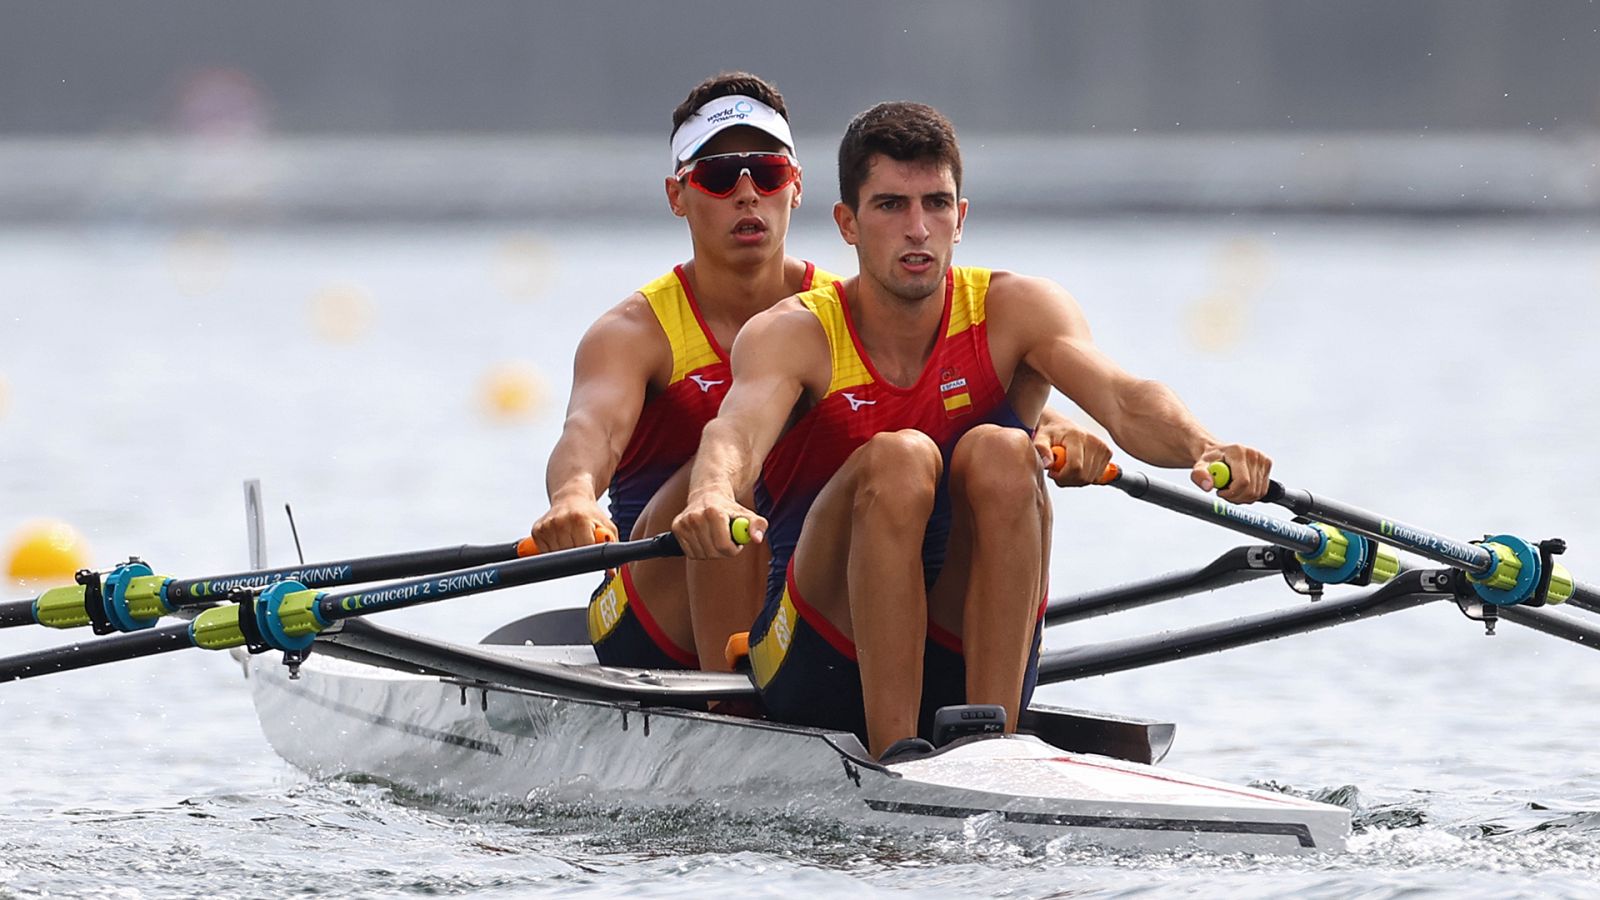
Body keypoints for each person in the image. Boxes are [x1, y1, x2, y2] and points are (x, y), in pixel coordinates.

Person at [672, 101, 1272, 758]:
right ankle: (896, 747)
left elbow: (1126, 400)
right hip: (817, 656)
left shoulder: (1016, 309)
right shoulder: (795, 334)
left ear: (961, 219)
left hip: (961, 644)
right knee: (900, 459)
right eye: (891, 206)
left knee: (1002, 451)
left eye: (936, 204)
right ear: (847, 223)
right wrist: (711, 495)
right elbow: (735, 437)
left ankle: (997, 748)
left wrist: (1205, 447)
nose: (918, 229)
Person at [530, 72, 840, 672]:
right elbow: (590, 431)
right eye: (720, 177)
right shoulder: (634, 333)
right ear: (678, 195)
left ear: (795, 187)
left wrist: (1045, 424)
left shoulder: (845, 311)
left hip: (799, 594)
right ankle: (734, 705)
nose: (747, 194)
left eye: (768, 173)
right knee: (730, 468)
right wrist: (573, 496)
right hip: (649, 615)